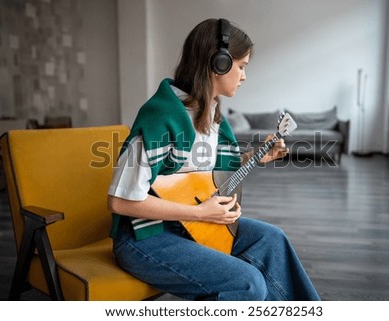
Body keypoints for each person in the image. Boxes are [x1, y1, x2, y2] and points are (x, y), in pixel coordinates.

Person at [108, 18, 320, 301]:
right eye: (241, 66)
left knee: (273, 240)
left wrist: (254, 157)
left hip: (190, 224)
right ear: (218, 63)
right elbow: (121, 201)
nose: (244, 76)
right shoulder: (161, 117)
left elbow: (203, 175)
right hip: (144, 237)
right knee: (247, 283)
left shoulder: (210, 114)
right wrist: (199, 213)